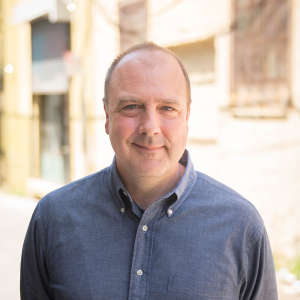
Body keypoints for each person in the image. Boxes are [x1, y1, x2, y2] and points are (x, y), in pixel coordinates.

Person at [21, 43, 278, 300]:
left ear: (187, 115)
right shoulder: (53, 218)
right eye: (131, 106)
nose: (150, 127)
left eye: (167, 108)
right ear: (107, 115)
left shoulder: (240, 226)